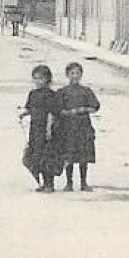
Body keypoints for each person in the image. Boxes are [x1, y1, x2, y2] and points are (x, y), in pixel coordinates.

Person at [55, 61, 100, 192]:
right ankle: (69, 183)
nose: (75, 76)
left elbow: (95, 107)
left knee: (83, 156)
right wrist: (68, 113)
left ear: (81, 75)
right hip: (68, 128)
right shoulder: (62, 92)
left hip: (83, 127)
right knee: (68, 156)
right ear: (67, 75)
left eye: (77, 73)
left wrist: (82, 110)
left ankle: (83, 182)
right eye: (72, 73)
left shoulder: (86, 91)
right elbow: (58, 109)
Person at [20, 64, 62, 192]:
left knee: (47, 156)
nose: (38, 81)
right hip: (35, 129)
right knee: (36, 156)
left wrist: (49, 129)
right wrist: (24, 113)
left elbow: (51, 113)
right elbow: (30, 108)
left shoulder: (50, 95)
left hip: (46, 129)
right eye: (36, 78)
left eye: (41, 78)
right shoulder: (32, 94)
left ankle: (50, 183)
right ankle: (42, 182)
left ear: (48, 80)